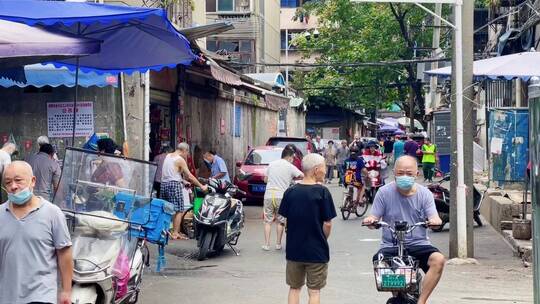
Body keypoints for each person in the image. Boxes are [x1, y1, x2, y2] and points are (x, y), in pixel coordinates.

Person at [362, 156, 445, 304]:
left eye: (408, 173)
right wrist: (371, 221)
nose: (404, 176)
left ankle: (422, 301)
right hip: (390, 245)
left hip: (419, 244)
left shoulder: (424, 193)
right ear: (394, 173)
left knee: (438, 259)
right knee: (380, 262)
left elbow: (435, 218)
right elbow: (373, 217)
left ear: (416, 174)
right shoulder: (383, 192)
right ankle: (397, 294)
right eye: (400, 173)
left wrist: (434, 221)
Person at [0, 161, 73, 304]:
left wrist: (66, 290)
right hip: (7, 295)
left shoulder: (52, 213)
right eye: (8, 182)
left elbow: (64, 253)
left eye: (18, 180)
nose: (13, 186)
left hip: (41, 295)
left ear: (33, 181)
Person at [278, 153, 336, 304]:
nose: (325, 170)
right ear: (316, 169)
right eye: (324, 167)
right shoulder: (322, 192)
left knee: (294, 288)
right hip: (316, 251)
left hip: (294, 250)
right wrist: (321, 238)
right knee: (314, 291)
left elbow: (283, 218)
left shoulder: (290, 192)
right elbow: (328, 223)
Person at [162, 143, 208, 240]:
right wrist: (201, 186)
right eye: (187, 153)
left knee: (167, 210)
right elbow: (189, 176)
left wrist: (183, 181)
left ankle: (167, 231)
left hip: (164, 185)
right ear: (184, 150)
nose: (187, 155)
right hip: (174, 186)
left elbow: (170, 174)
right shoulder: (180, 159)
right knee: (179, 210)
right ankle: (175, 233)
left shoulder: (168, 156)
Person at [262, 146, 304, 251]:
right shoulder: (289, 166)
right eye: (293, 158)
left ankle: (267, 245)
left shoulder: (271, 164)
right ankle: (278, 244)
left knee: (267, 221)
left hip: (268, 195)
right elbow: (302, 175)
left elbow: (265, 179)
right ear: (290, 157)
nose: (293, 160)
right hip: (281, 196)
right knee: (280, 221)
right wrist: (291, 179)